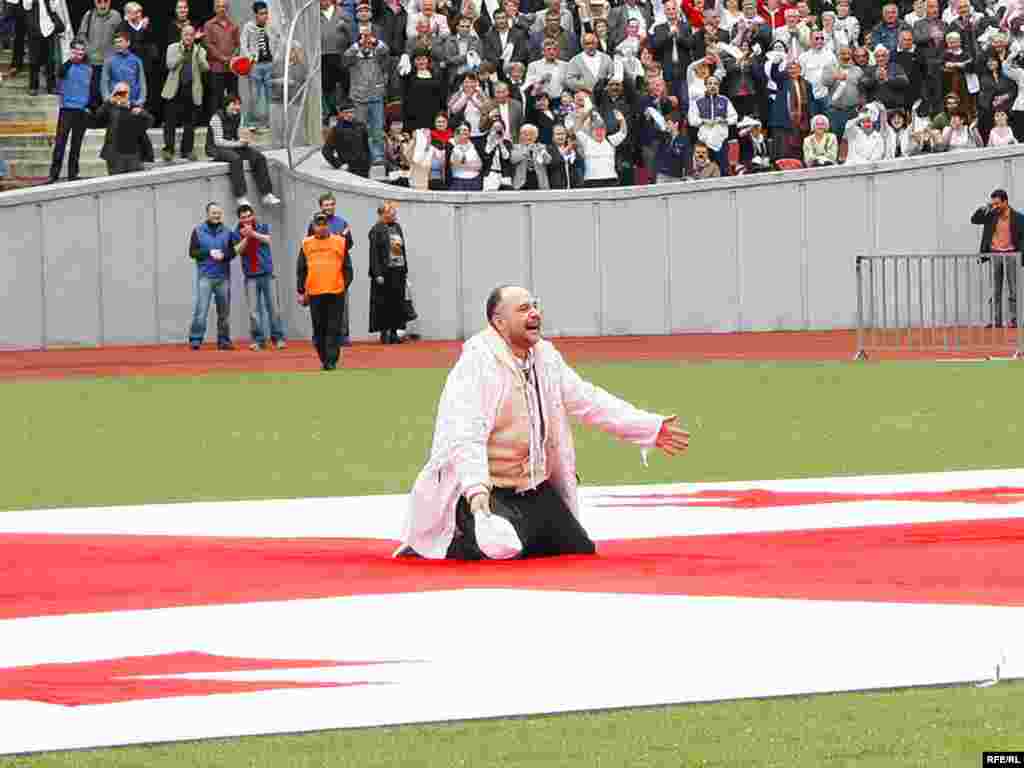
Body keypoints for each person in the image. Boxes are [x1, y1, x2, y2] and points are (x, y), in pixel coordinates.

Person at [395, 284, 690, 560]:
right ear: (499, 323)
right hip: (485, 491)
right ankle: (449, 537)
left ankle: (509, 530)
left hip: (533, 487)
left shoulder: (546, 358)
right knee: (504, 547)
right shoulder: (477, 364)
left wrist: (649, 427)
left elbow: (589, 401)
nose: (535, 313)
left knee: (577, 549)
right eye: (523, 309)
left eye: (534, 306)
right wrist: (475, 490)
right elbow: (465, 433)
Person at [296, 211, 352, 370]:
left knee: (334, 328)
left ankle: (331, 361)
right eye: (318, 224)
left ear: (328, 225)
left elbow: (348, 268)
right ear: (313, 226)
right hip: (314, 292)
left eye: (324, 224)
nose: (321, 227)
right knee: (319, 328)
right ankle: (323, 358)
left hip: (336, 292)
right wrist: (301, 291)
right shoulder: (306, 244)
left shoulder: (340, 242)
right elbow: (301, 269)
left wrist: (344, 285)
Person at [207, 94, 282, 207]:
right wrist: (238, 143)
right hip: (216, 149)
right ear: (226, 105)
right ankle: (240, 196)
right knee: (235, 159)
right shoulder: (216, 118)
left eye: (238, 104)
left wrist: (248, 135)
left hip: (232, 145)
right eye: (234, 104)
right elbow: (218, 141)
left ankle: (267, 194)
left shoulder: (239, 116)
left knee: (258, 156)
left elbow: (238, 134)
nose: (237, 107)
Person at [231, 203, 286, 350]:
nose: (247, 219)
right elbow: (237, 250)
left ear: (253, 215)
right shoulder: (236, 232)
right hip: (250, 277)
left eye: (249, 216)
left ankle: (278, 338)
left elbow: (267, 240)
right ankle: (258, 340)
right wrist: (247, 238)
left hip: (267, 274)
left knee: (274, 308)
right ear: (239, 219)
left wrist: (252, 233)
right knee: (254, 311)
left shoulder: (262, 226)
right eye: (243, 218)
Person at [307, 192, 355, 348]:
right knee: (320, 308)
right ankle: (320, 336)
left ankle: (343, 335)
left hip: (338, 269)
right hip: (320, 271)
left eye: (331, 204)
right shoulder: (314, 223)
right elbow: (309, 244)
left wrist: (343, 238)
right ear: (320, 207)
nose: (329, 207)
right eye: (326, 205)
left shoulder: (342, 222)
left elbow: (349, 246)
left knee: (342, 304)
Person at [972, 189, 1024, 328]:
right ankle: (997, 321)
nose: (995, 206)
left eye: (997, 204)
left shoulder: (1018, 217)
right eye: (993, 204)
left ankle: (1014, 320)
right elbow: (974, 219)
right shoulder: (991, 215)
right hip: (995, 254)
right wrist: (986, 207)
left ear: (1005, 202)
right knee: (996, 290)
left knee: (1013, 289)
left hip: (1012, 255)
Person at [187, 202, 235, 350]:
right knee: (201, 310)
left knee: (224, 312)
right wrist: (209, 253)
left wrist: (224, 255)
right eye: (214, 213)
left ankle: (224, 341)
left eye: (219, 213)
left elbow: (233, 252)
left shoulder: (227, 232)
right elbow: (192, 253)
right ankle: (195, 339)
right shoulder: (198, 231)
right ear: (207, 214)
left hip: (223, 277)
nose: (217, 215)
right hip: (205, 277)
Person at [161, 23, 208, 162]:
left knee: (190, 123)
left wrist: (199, 56)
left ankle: (187, 150)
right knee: (170, 122)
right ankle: (168, 149)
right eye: (186, 34)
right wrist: (182, 54)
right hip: (175, 89)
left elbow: (206, 68)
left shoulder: (200, 50)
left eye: (191, 35)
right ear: (181, 35)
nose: (188, 37)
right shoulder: (173, 48)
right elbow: (170, 65)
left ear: (194, 36)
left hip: (191, 90)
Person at [48, 38, 92, 183]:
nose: (79, 52)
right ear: (71, 50)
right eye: (76, 49)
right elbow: (58, 78)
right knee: (60, 143)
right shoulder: (65, 66)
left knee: (76, 145)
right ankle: (53, 174)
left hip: (81, 111)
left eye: (81, 50)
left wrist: (88, 106)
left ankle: (73, 174)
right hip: (66, 109)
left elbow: (90, 88)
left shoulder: (88, 68)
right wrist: (69, 61)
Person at [368, 200, 409, 345]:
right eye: (391, 212)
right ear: (382, 214)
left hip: (398, 270)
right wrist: (377, 273)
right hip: (384, 272)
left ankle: (394, 332)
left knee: (396, 302)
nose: (394, 214)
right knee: (383, 303)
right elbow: (374, 254)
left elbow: (402, 250)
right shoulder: (376, 229)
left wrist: (405, 270)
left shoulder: (397, 227)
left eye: (394, 212)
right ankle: (384, 332)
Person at [94, 80, 153, 174]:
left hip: (134, 154)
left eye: (124, 92)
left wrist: (141, 113)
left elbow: (150, 122)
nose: (121, 95)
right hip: (115, 154)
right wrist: (108, 101)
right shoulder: (110, 107)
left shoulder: (134, 107)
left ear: (129, 94)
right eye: (119, 92)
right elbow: (97, 118)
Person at [240, 1, 280, 133]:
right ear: (255, 15)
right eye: (262, 13)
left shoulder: (271, 26)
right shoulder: (249, 27)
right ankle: (249, 122)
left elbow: (279, 41)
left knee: (271, 96)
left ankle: (271, 122)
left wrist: (277, 57)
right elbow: (243, 43)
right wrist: (249, 57)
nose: (265, 16)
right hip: (256, 66)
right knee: (254, 96)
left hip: (269, 65)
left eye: (266, 13)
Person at [77, 0, 122, 108]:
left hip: (110, 61)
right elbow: (81, 35)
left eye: (105, 1)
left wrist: (115, 52)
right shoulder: (89, 15)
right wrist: (89, 50)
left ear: (110, 2)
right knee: (93, 91)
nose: (102, 4)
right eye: (99, 1)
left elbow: (121, 36)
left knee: (110, 91)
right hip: (92, 61)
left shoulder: (116, 16)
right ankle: (93, 117)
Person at [202, 0, 240, 122]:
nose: (221, 9)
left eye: (224, 6)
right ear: (215, 9)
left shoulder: (234, 24)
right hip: (216, 67)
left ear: (227, 8)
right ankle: (215, 124)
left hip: (232, 68)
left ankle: (233, 123)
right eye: (219, 6)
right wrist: (223, 58)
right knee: (216, 97)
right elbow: (208, 44)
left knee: (233, 96)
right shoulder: (209, 25)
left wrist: (233, 57)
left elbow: (238, 44)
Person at [322, 98, 371, 176]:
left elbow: (366, 147)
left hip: (363, 169)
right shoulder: (336, 130)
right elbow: (326, 151)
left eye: (351, 112)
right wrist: (339, 165)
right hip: (348, 170)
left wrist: (368, 163)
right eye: (346, 112)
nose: (349, 115)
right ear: (341, 113)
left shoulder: (361, 126)